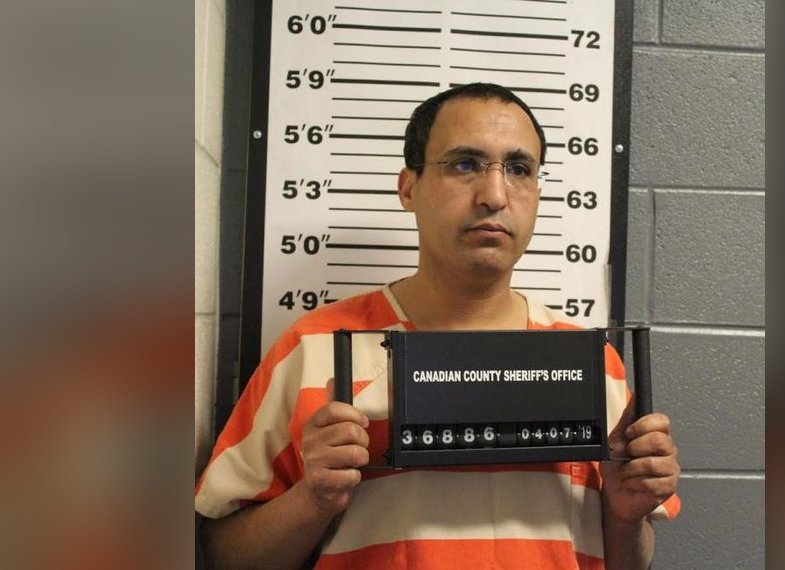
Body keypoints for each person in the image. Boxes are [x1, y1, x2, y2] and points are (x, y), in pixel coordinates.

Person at [196, 82, 681, 569]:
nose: (494, 196)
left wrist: (626, 518)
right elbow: (224, 555)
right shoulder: (313, 349)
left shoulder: (592, 365)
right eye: (464, 164)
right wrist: (312, 499)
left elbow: (628, 562)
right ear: (408, 188)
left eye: (518, 169)